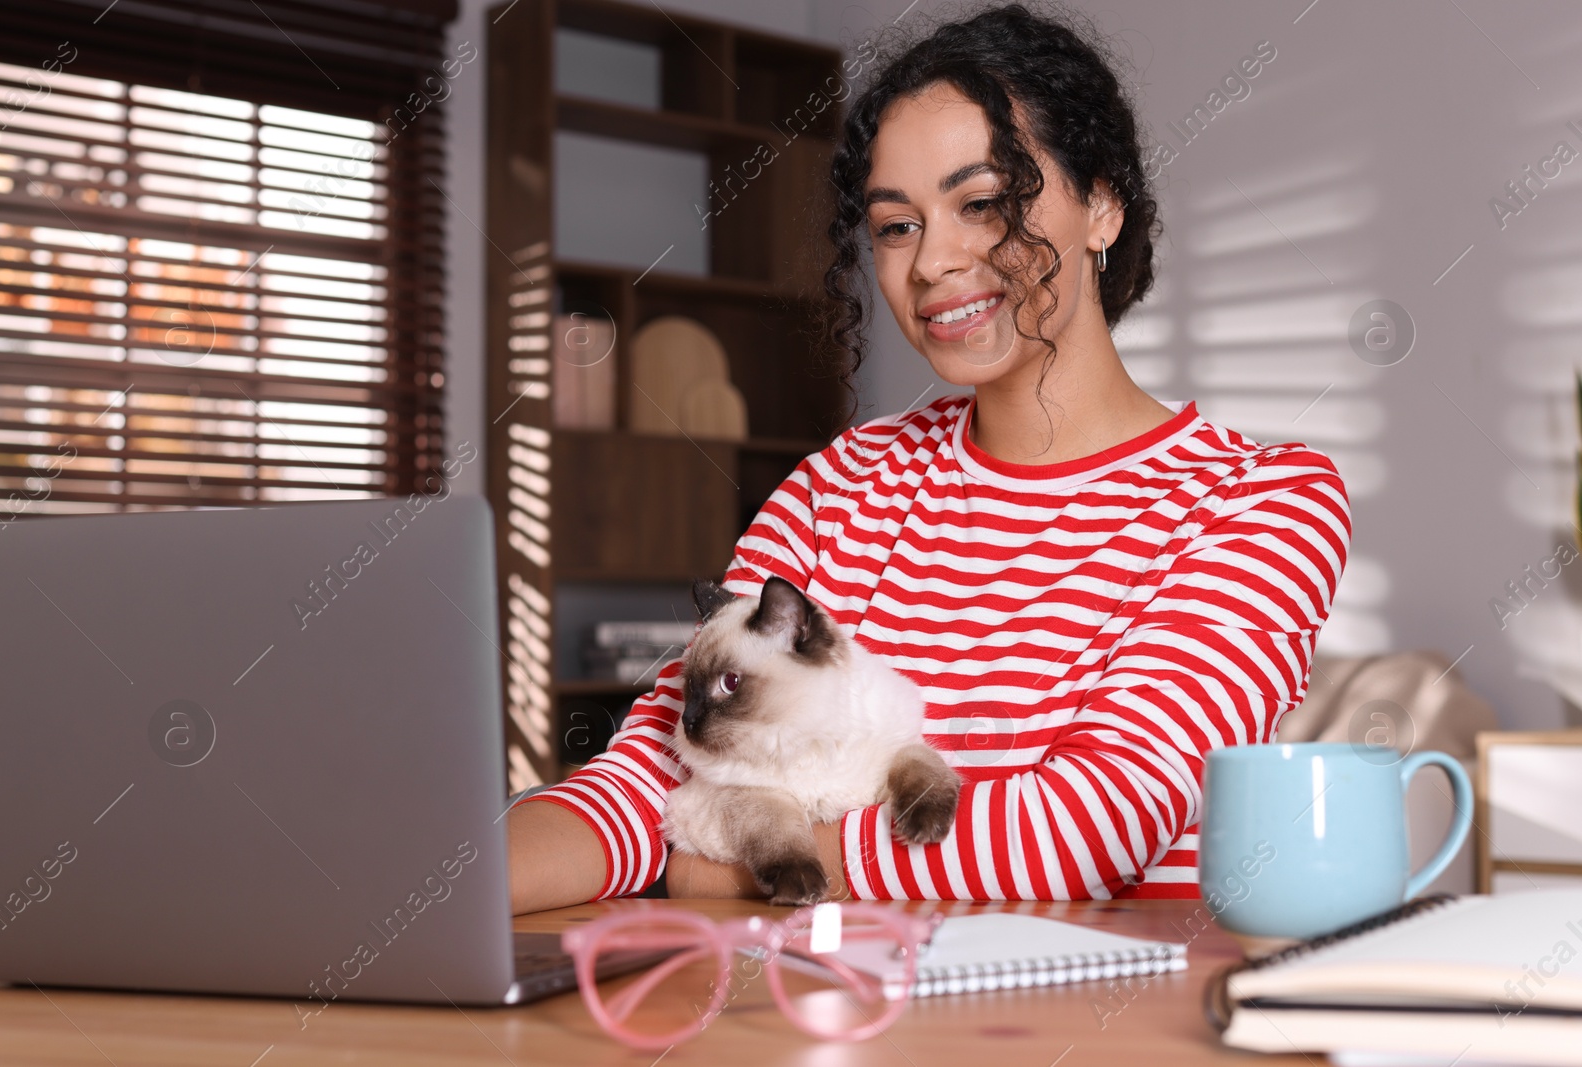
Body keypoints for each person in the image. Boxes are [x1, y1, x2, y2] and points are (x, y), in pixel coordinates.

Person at [508, 1, 1351, 913]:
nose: (933, 262)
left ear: (1102, 204)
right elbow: (654, 779)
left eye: (982, 204)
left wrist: (726, 863)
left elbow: (1084, 832)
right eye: (897, 226)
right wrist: (443, 885)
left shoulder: (1261, 500)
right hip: (822, 1034)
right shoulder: (837, 487)